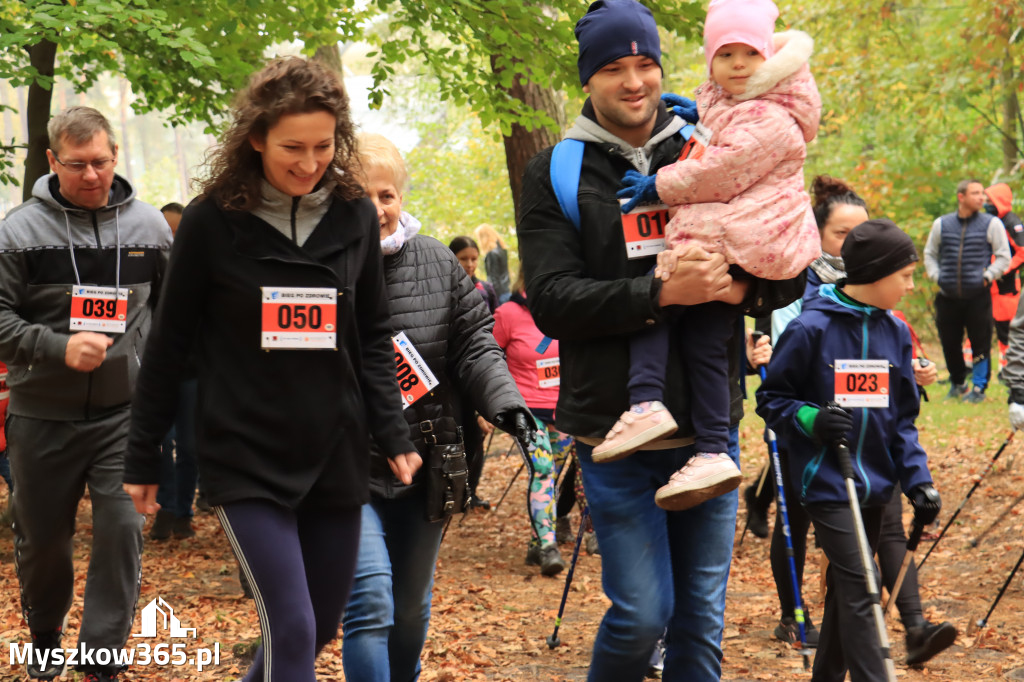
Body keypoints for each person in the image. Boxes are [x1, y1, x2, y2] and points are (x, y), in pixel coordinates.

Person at [517, 1, 805, 678]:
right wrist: (659, 294)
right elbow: (553, 300)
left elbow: (790, 259)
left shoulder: (716, 142)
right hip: (611, 433)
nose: (634, 81)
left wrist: (740, 290)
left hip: (710, 438)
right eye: (614, 68)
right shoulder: (557, 170)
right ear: (588, 79)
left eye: (646, 63)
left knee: (700, 626)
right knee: (643, 613)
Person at [122, 57, 420, 682]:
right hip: (244, 451)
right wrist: (143, 456)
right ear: (256, 138)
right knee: (292, 624)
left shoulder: (354, 216)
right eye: (292, 147)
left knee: (319, 627)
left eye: (322, 146)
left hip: (334, 450)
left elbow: (369, 336)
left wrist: (392, 433)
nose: (309, 164)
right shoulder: (210, 222)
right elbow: (169, 344)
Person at [595, 0, 821, 512]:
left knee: (665, 288)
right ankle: (710, 446)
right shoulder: (749, 104)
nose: (738, 64)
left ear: (771, 58)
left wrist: (659, 184)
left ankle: (648, 402)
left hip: (747, 232)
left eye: (750, 53)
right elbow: (732, 133)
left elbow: (721, 169)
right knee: (704, 335)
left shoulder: (772, 116)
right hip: (743, 233)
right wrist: (705, 114)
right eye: (725, 54)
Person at [341, 133, 531, 681]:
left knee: (408, 608)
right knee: (370, 603)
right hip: (346, 464)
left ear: (400, 198)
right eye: (358, 196)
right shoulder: (317, 265)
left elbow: (475, 344)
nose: (375, 209)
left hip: (430, 461)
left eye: (385, 195)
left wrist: (506, 404)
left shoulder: (437, 263)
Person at [750, 177, 956, 662]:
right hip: (823, 478)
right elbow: (773, 397)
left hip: (876, 481)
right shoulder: (808, 325)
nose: (910, 285)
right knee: (863, 586)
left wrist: (918, 482)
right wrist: (811, 418)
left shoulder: (896, 333)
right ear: (876, 273)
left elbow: (902, 420)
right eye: (905, 276)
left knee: (849, 592)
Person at [0, 105, 172, 682]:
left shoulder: (150, 229)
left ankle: (101, 655)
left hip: (125, 415)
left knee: (122, 529)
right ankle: (45, 631)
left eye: (100, 162)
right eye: (77, 166)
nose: (92, 175)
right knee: (45, 542)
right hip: (41, 413)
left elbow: (176, 316)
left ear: (115, 155)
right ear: (52, 161)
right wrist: (55, 346)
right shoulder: (18, 232)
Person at [493, 268, 595, 575]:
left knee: (555, 471)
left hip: (564, 411)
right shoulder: (507, 313)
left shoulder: (565, 309)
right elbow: (487, 357)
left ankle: (537, 541)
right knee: (543, 470)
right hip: (526, 412)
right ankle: (549, 547)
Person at [923, 179, 1010, 403]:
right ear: (961, 196)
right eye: (975, 193)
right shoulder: (941, 224)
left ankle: (979, 389)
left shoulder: (992, 224)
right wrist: (937, 276)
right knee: (950, 342)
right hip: (947, 296)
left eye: (982, 193)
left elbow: (1004, 256)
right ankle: (958, 384)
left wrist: (987, 276)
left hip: (978, 296)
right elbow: (930, 254)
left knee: (980, 342)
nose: (981, 198)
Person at [148, 203, 199, 542]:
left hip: (194, 372)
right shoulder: (147, 268)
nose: (173, 238)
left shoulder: (202, 268)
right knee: (160, 442)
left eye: (179, 232)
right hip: (156, 372)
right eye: (167, 231)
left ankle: (183, 512)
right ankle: (164, 508)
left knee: (191, 446)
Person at [449, 234, 499, 509]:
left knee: (476, 436)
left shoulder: (486, 289)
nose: (469, 264)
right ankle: (451, 491)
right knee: (457, 432)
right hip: (453, 373)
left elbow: (496, 325)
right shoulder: (445, 287)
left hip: (479, 367)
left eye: (473, 259)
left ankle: (471, 493)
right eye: (463, 259)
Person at [983, 183, 1024, 368]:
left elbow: (1022, 253)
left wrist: (1003, 269)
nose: (986, 204)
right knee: (985, 326)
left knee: (1007, 328)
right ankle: (971, 367)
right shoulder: (992, 221)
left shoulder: (1011, 222)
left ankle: (1010, 368)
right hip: (989, 284)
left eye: (990, 201)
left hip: (1006, 287)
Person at [474, 223, 511, 303]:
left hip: (499, 295)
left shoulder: (491, 254)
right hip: (507, 291)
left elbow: (493, 277)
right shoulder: (502, 250)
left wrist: (492, 296)